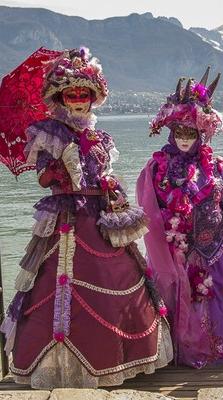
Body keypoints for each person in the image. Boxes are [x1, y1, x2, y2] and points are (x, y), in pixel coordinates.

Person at [1, 47, 172, 388]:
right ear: (60, 96)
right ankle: (60, 366)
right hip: (68, 218)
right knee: (59, 280)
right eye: (71, 93)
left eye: (85, 94)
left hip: (101, 215)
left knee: (121, 272)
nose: (79, 100)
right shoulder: (50, 133)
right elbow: (43, 179)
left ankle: (122, 357)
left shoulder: (98, 137)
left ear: (95, 97)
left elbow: (102, 173)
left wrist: (109, 184)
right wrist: (59, 169)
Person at [136, 69, 223, 368]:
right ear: (171, 132)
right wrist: (166, 251)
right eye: (180, 133)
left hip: (217, 250)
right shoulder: (156, 169)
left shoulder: (215, 167)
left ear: (201, 133)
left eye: (191, 133)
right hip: (177, 253)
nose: (184, 139)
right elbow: (150, 215)